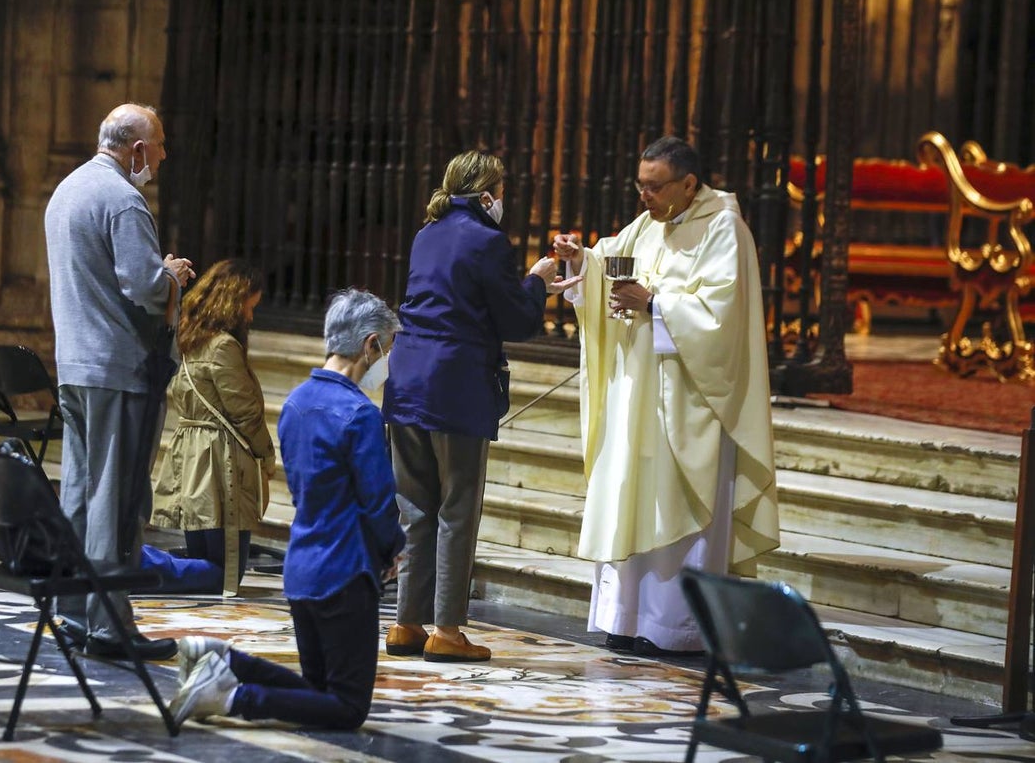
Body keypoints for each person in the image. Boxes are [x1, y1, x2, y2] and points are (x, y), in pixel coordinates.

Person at [552, 136, 779, 656]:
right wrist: (579, 260)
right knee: (630, 493)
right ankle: (625, 618)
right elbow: (611, 258)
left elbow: (724, 317)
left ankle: (675, 627)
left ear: (689, 183)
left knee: (677, 506)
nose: (644, 196)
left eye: (654, 186)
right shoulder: (650, 224)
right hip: (637, 396)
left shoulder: (725, 228)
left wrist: (653, 303)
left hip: (691, 400)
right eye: (640, 184)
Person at [169, 289, 405, 729]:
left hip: (302, 568)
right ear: (370, 345)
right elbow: (377, 503)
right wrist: (392, 549)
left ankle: (225, 659)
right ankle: (233, 697)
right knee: (349, 708)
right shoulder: (359, 414)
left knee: (318, 694)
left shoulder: (297, 402)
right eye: (387, 350)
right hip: (345, 570)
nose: (386, 363)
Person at [381, 150, 579, 662]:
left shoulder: (428, 233)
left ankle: (405, 624)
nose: (505, 201)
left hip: (405, 380)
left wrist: (527, 287)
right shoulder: (488, 241)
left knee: (415, 507)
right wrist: (537, 281)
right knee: (457, 508)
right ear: (487, 192)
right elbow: (514, 320)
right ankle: (446, 631)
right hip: (455, 384)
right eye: (503, 190)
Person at [45, 103, 195, 661]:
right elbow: (143, 286)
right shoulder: (123, 199)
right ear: (135, 148)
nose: (162, 156)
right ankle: (109, 625)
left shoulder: (67, 190)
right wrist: (172, 277)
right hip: (118, 370)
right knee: (117, 498)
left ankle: (72, 611)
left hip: (76, 364)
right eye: (158, 146)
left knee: (81, 493)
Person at [150, 258, 275, 596]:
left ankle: (143, 565)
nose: (250, 316)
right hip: (221, 462)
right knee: (226, 575)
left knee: (204, 558)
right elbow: (245, 412)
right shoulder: (223, 346)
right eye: (250, 307)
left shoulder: (187, 338)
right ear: (234, 301)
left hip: (191, 455)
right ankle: (143, 565)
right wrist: (266, 455)